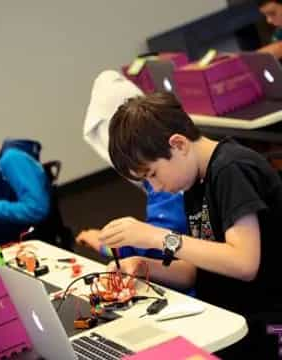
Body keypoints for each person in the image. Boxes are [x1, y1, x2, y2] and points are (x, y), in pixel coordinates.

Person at [101, 91, 282, 357]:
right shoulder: (194, 181)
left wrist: (158, 237)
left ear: (179, 144)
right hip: (228, 320)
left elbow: (244, 263)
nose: (157, 187)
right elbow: (195, 271)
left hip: (266, 326)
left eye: (152, 174)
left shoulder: (231, 169)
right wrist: (144, 266)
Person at [76, 71, 188, 288]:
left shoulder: (170, 185)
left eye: (151, 174)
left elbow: (168, 248)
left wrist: (116, 245)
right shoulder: (164, 174)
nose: (153, 185)